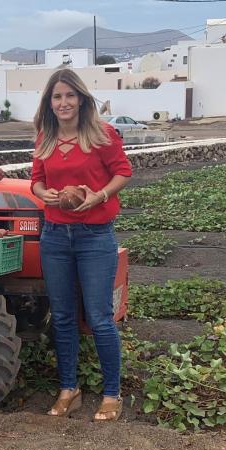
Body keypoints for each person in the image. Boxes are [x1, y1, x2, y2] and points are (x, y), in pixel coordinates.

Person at [30, 69, 132, 422]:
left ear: (82, 99)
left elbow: (123, 172)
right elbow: (36, 182)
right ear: (49, 102)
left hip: (94, 236)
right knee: (62, 317)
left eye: (69, 96)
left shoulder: (102, 135)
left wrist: (100, 195)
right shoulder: (46, 137)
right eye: (57, 97)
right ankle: (69, 389)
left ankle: (112, 393)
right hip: (55, 236)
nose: (63, 103)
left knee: (100, 317)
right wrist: (48, 196)